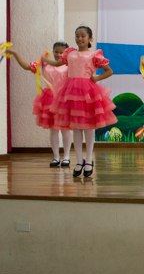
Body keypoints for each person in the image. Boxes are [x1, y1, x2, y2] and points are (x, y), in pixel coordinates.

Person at [43, 25, 116, 178]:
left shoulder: (94, 55)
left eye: (83, 36)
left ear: (90, 39)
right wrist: (45, 60)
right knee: (76, 127)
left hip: (88, 92)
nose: (79, 38)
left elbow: (109, 71)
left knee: (89, 127)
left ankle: (89, 158)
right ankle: (79, 160)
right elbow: (57, 64)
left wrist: (96, 78)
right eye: (77, 35)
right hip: (71, 92)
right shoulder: (69, 54)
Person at [6, 43, 73, 167]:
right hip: (50, 99)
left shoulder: (69, 66)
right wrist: (14, 53)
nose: (58, 54)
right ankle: (56, 157)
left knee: (65, 129)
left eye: (61, 52)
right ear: (52, 52)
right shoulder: (45, 65)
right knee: (53, 129)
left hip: (64, 99)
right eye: (56, 51)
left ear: (66, 54)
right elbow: (27, 66)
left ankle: (67, 157)